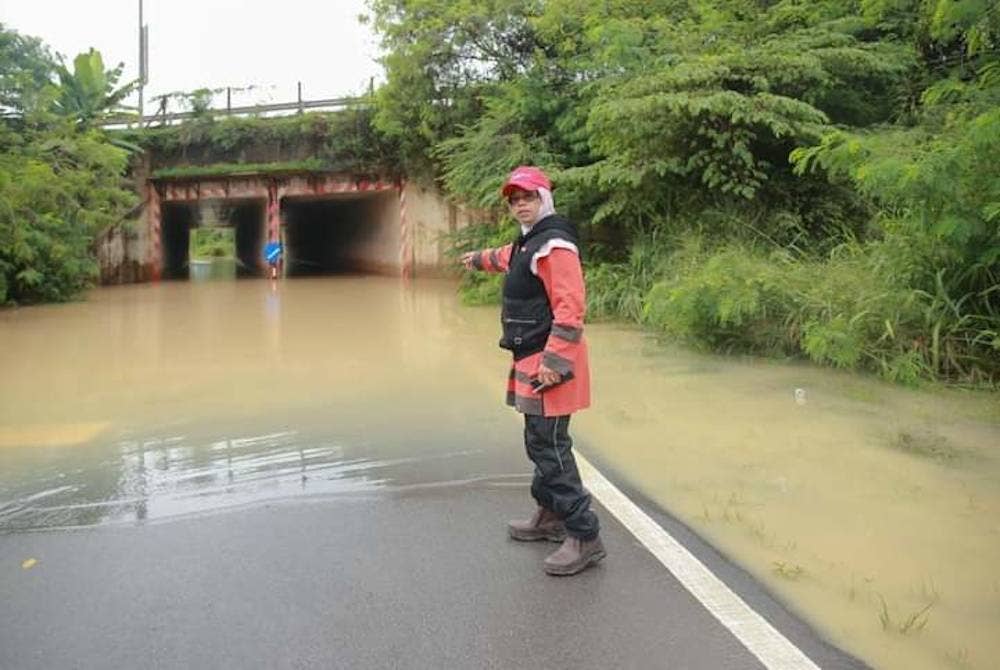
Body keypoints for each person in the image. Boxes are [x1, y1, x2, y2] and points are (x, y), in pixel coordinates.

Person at [461, 165, 605, 576]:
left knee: (550, 445)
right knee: (538, 439)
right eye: (514, 199)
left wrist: (555, 364)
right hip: (531, 357)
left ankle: (584, 534)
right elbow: (506, 258)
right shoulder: (530, 243)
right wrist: (477, 260)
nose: (521, 205)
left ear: (545, 198)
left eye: (528, 197)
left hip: (551, 363)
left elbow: (570, 307)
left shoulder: (555, 246)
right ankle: (550, 514)